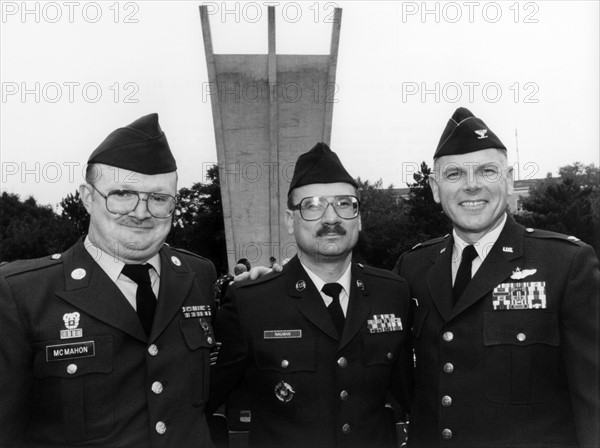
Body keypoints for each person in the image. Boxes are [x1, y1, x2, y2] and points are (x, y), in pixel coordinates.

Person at [0, 114, 217, 447]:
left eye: (159, 198)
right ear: (88, 197)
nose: (141, 212)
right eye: (122, 194)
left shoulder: (199, 275)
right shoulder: (20, 293)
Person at [394, 107, 600, 448]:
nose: (471, 186)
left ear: (508, 180)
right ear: (434, 187)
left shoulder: (566, 265)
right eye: (455, 174)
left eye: (487, 171)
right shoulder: (412, 267)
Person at [208, 143, 413, 448]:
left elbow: (415, 398)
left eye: (345, 204)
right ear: (291, 221)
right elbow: (202, 405)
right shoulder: (251, 303)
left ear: (358, 218)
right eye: (313, 205)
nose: (331, 218)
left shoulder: (393, 293)